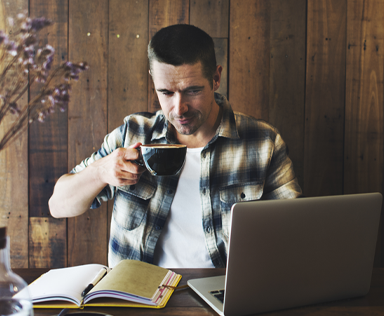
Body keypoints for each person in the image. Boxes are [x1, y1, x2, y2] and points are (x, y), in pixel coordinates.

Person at [48, 24, 301, 268]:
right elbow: (58, 206)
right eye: (166, 93)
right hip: (139, 298)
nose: (179, 109)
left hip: (224, 296)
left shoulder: (263, 142)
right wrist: (100, 172)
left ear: (215, 78)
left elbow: (295, 233)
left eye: (192, 91)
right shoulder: (133, 133)